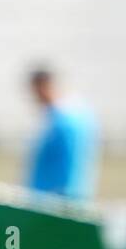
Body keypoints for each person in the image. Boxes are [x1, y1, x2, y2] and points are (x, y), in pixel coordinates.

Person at [24, 66, 100, 201]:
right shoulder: (71, 114)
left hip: (57, 202)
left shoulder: (66, 120)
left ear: (44, 86)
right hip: (59, 198)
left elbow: (69, 169)